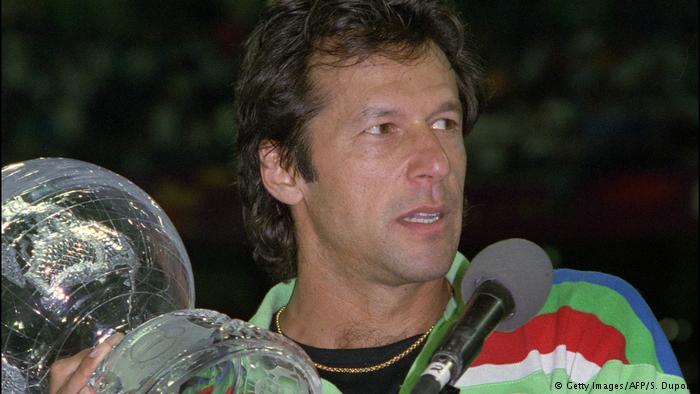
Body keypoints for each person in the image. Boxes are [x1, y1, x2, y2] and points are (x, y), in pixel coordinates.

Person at [50, 1, 689, 393]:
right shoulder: (215, 383)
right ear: (282, 169)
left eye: (444, 123)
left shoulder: (580, 330)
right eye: (383, 129)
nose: (437, 160)